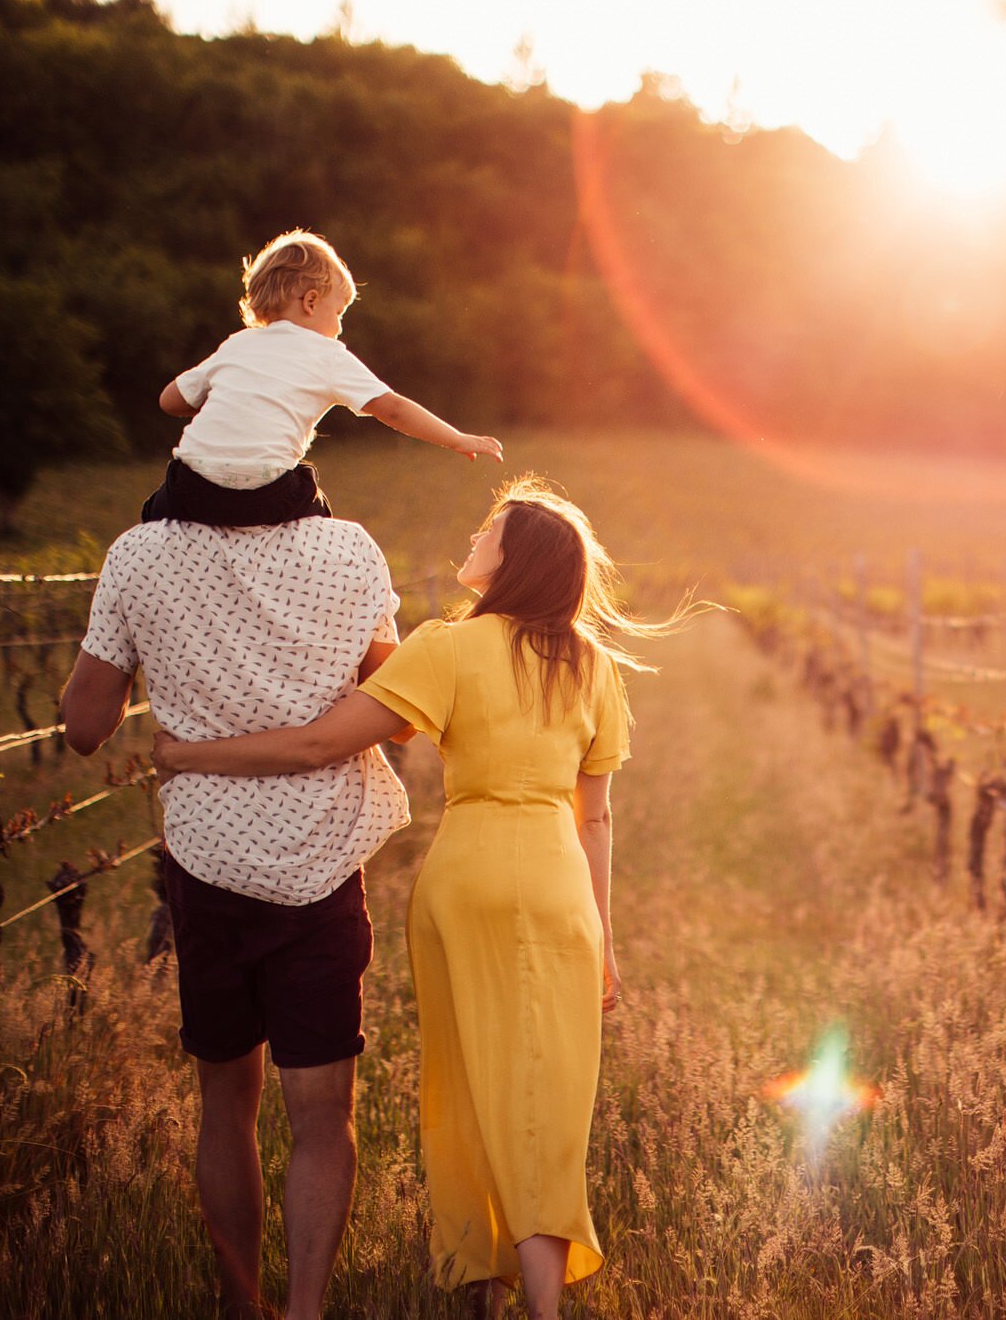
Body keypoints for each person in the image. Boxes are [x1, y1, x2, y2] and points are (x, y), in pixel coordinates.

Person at [154, 479, 697, 1320]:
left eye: (493, 527)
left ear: (514, 560)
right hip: (557, 882)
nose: (476, 534)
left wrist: (190, 752)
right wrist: (605, 938)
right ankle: (543, 1303)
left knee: (466, 1077)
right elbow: (597, 816)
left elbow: (319, 743)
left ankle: (478, 1271)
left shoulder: (450, 645)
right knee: (547, 1090)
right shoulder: (593, 665)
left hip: (466, 873)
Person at [59, 501, 412, 1319]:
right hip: (323, 860)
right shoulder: (350, 547)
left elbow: (83, 725)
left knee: (227, 1097)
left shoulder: (139, 554)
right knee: (323, 1111)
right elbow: (394, 694)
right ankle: (304, 1311)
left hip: (208, 863)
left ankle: (238, 1305)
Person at [143, 228, 503, 527]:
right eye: (340, 311)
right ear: (311, 302)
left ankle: (152, 543)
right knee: (312, 499)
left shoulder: (236, 344)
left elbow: (169, 401)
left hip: (191, 490)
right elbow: (391, 408)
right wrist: (456, 438)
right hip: (267, 495)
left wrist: (225, 401)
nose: (341, 325)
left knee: (155, 506)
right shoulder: (327, 354)